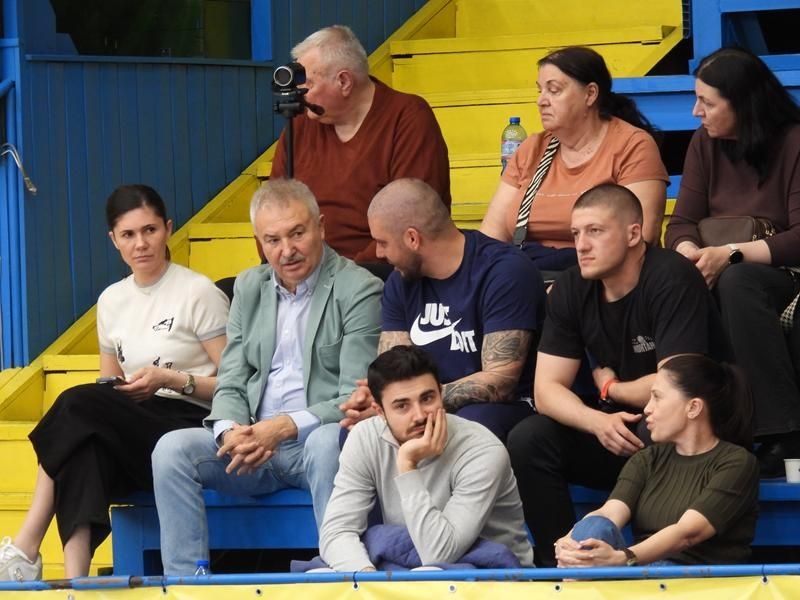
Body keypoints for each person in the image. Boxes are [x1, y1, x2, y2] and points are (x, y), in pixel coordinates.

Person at [151, 178, 382, 575]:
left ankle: (343, 575)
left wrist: (282, 427)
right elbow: (232, 378)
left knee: (329, 441)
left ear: (321, 227)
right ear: (259, 242)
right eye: (272, 240)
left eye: (297, 233)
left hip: (313, 442)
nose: (286, 250)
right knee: (171, 450)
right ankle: (187, 583)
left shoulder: (359, 288)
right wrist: (230, 432)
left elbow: (353, 397)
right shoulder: (249, 286)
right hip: (254, 448)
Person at [0, 185, 229, 581]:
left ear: (168, 228)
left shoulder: (198, 292)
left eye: (150, 230)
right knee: (84, 448)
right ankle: (77, 582)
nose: (141, 244)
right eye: (128, 234)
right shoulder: (110, 300)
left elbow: (236, 386)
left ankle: (27, 543)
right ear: (113, 240)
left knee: (75, 403)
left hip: (191, 421)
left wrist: (172, 380)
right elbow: (108, 382)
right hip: (135, 418)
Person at [507, 183, 731, 567]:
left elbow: (676, 386)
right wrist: (596, 421)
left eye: (595, 231)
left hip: (690, 432)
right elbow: (546, 390)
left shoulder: (670, 277)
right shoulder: (572, 287)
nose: (581, 245)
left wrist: (612, 388)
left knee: (663, 424)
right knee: (530, 439)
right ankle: (561, 567)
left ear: (633, 234)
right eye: (576, 233)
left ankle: (656, 566)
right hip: (619, 429)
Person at [664, 47, 800, 477]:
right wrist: (691, 255)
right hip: (718, 263)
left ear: (742, 103)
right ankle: (679, 427)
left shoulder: (794, 142)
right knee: (670, 276)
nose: (696, 111)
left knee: (738, 281)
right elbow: (681, 224)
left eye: (706, 102)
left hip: (782, 271)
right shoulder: (704, 144)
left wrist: (729, 254)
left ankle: (780, 431)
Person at [338, 178, 544, 444]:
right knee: (358, 433)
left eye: (382, 242)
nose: (378, 253)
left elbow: (501, 381)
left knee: (471, 423)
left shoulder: (504, 272)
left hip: (503, 408)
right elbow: (394, 371)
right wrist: (378, 397)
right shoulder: (400, 281)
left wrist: (411, 402)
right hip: (427, 406)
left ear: (412, 238)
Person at [319, 345, 533, 571]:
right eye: (402, 406)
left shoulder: (482, 450)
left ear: (441, 394)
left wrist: (407, 465)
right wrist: (366, 578)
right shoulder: (365, 437)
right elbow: (336, 532)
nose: (419, 415)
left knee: (428, 571)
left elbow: (439, 554)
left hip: (495, 573)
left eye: (427, 398)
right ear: (380, 411)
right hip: (412, 564)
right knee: (326, 571)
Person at [555, 355, 758, 567]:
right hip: (642, 572)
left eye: (657, 397)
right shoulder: (647, 458)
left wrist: (623, 557)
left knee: (660, 566)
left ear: (693, 408)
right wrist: (571, 540)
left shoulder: (736, 462)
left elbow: (688, 533)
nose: (647, 409)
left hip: (696, 576)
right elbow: (610, 511)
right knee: (594, 526)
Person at [480, 45, 668, 274]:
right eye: (540, 90)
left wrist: (569, 289)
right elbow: (490, 239)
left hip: (602, 281)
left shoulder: (633, 145)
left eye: (554, 90)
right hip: (530, 278)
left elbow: (640, 239)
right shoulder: (531, 149)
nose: (541, 101)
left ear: (590, 94)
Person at [271, 25, 451, 263]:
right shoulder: (300, 124)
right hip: (302, 267)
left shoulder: (408, 118)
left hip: (380, 270)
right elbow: (270, 208)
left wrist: (345, 276)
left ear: (344, 81)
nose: (300, 93)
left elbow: (411, 219)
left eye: (309, 84)